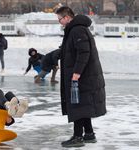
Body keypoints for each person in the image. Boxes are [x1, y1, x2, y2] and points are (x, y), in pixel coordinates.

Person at [55, 6, 106, 147]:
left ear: (67, 17)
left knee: (76, 105)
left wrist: (76, 73)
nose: (59, 22)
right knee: (82, 104)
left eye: (60, 19)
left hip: (82, 75)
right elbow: (71, 50)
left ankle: (78, 137)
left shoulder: (77, 30)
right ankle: (89, 134)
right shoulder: (75, 29)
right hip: (84, 75)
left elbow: (84, 52)